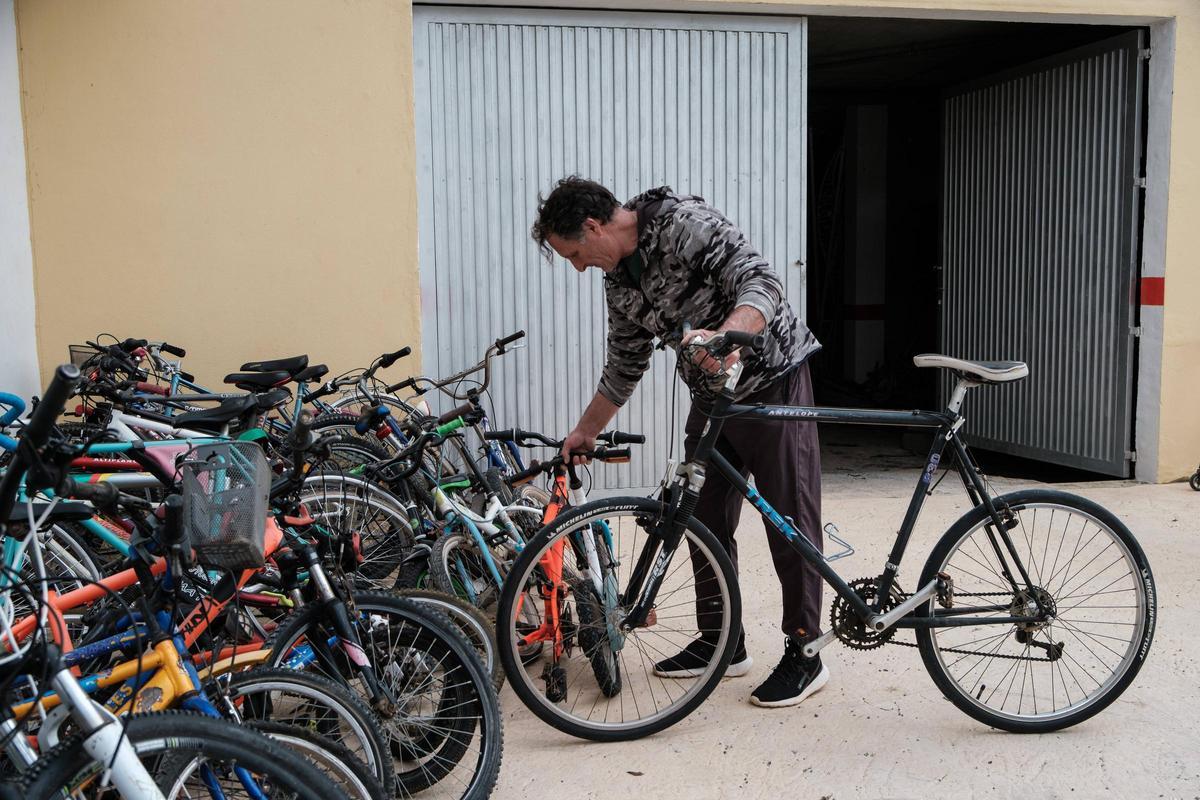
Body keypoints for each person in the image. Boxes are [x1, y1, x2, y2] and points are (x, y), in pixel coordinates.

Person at [531, 176, 828, 708]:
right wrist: (585, 431)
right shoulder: (619, 283)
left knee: (789, 519)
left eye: (575, 253)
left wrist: (728, 336)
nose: (578, 267)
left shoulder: (683, 226)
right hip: (713, 396)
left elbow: (761, 281)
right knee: (699, 518)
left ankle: (805, 653)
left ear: (595, 227)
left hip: (771, 381)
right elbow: (625, 364)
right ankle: (722, 641)